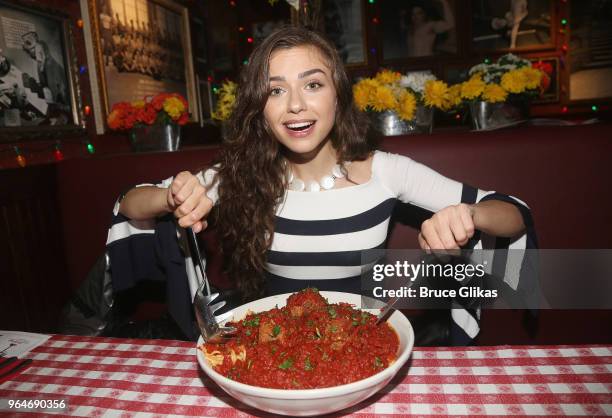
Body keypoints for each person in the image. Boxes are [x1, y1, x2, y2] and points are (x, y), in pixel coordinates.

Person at [117, 26, 534, 343]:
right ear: (260, 109)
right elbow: (130, 206)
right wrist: (170, 195)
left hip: (364, 336)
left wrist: (469, 214)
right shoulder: (238, 173)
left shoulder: (388, 171)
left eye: (312, 84)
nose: (295, 104)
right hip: (273, 339)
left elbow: (514, 215)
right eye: (275, 90)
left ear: (338, 94)